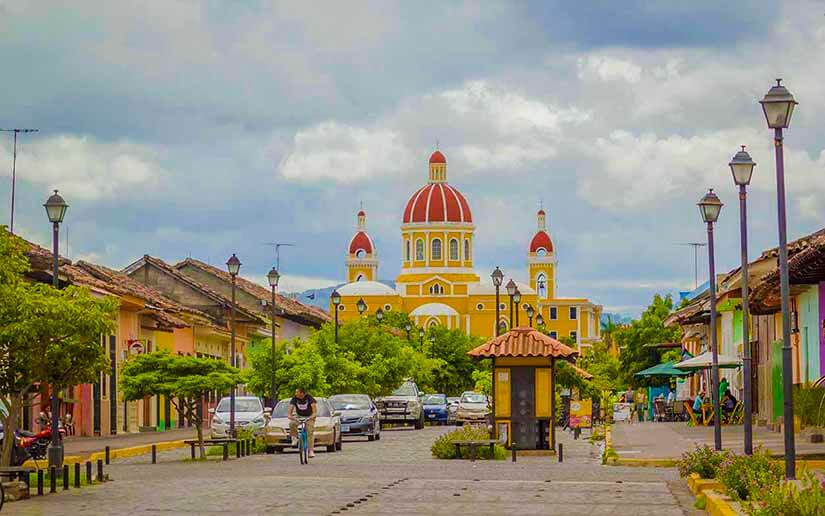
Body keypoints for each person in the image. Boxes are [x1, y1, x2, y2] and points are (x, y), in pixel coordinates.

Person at [288, 388, 317, 458]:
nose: (295, 394)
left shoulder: (309, 398)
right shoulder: (294, 399)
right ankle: (294, 438)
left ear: (302, 393)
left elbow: (315, 412)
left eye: (297, 392)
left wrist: (310, 418)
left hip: (309, 416)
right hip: (299, 416)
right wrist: (292, 417)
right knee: (291, 423)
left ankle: (310, 451)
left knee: (310, 432)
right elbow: (289, 412)